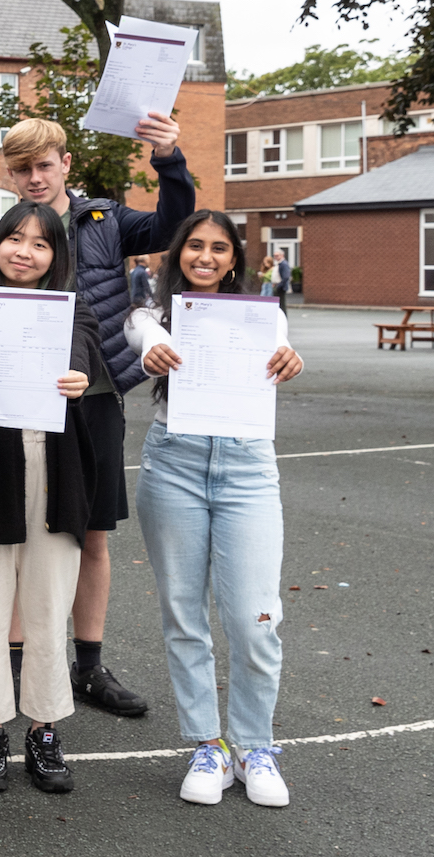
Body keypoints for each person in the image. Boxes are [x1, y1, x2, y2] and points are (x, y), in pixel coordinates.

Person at [0, 114, 196, 716]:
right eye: (22, 169)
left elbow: (174, 226)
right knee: (23, 534)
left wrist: (168, 159)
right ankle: (22, 667)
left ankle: (89, 667)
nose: (34, 178)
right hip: (21, 403)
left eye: (44, 165)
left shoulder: (104, 219)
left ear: (65, 163)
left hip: (94, 398)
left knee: (91, 535)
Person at [125, 211, 303, 807]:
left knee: (256, 617)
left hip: (248, 467)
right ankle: (209, 745)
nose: (205, 256)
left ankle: (255, 746)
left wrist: (288, 358)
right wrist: (155, 350)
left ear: (233, 260)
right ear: (178, 254)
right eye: (194, 246)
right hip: (174, 462)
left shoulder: (264, 312)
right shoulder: (152, 315)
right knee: (184, 612)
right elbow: (143, 337)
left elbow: (279, 346)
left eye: (218, 248)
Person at [0, 201, 100, 795]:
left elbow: (83, 351)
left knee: (47, 611)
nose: (25, 251)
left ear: (56, 256)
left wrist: (78, 377)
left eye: (40, 243)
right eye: (14, 238)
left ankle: (44, 728)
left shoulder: (74, 312)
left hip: (59, 478)